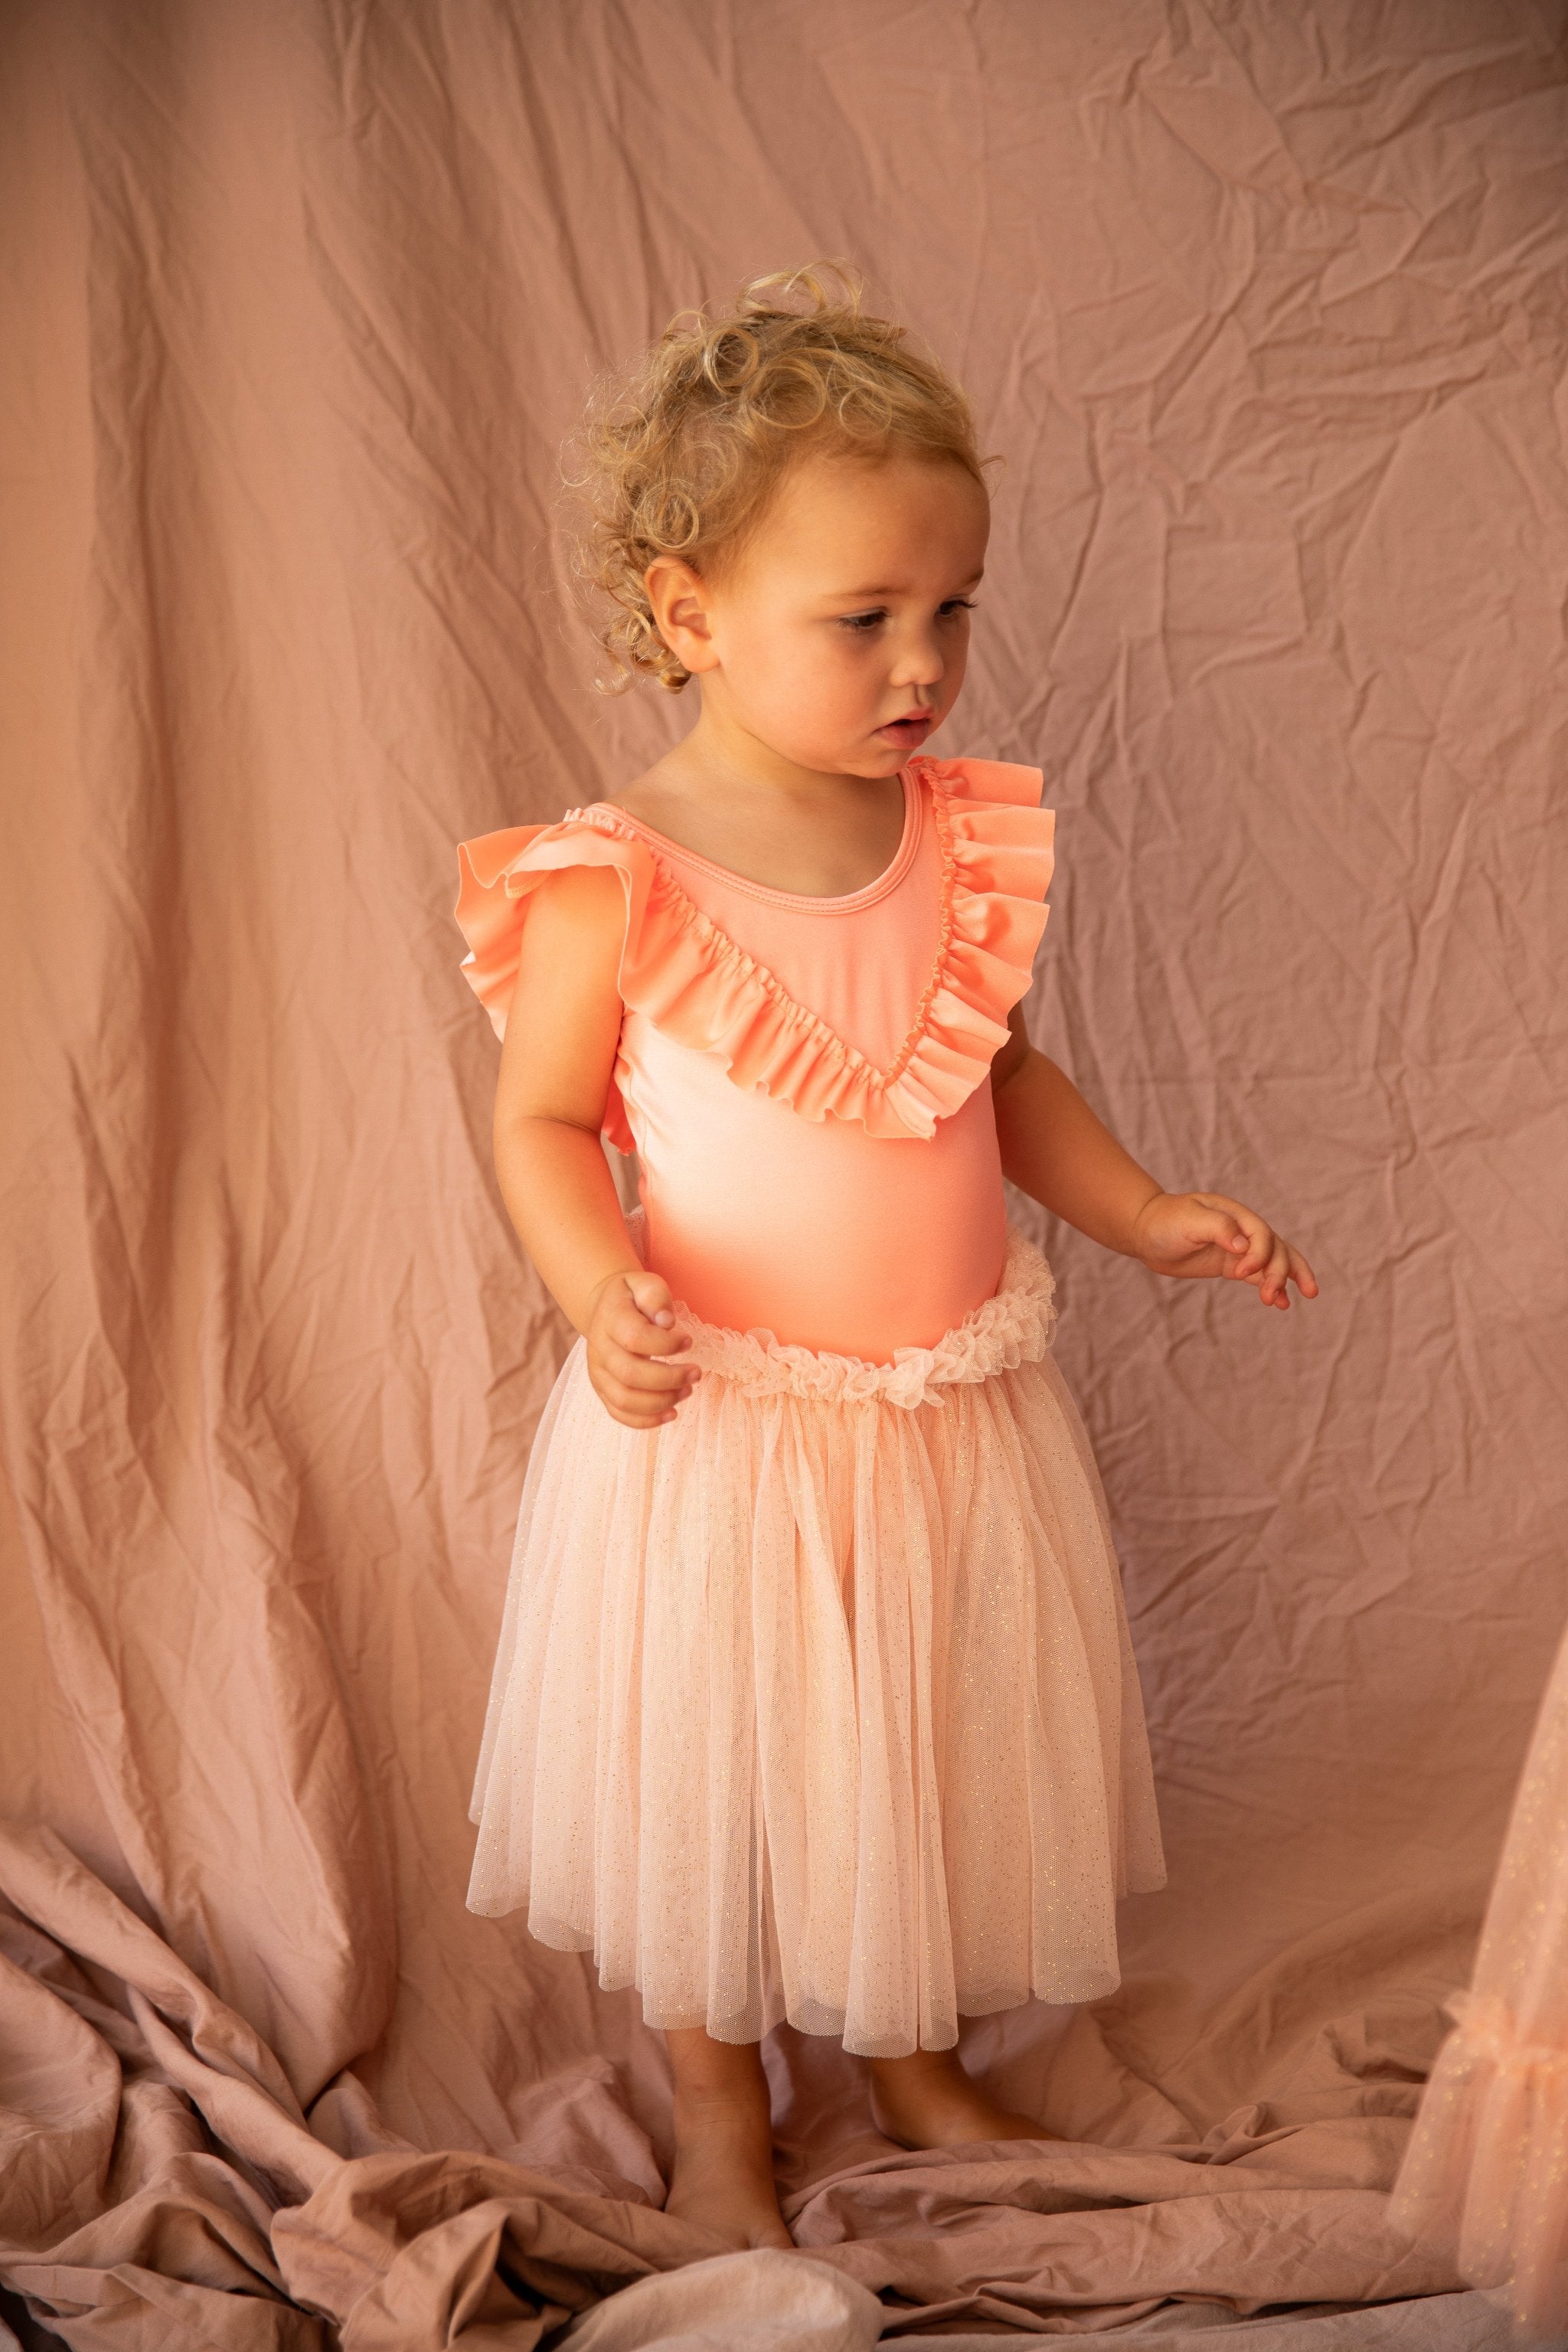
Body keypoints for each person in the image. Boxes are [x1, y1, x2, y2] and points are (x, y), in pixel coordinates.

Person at [453, 264, 1318, 2249]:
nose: (921, 658)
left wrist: (1141, 1208)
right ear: (692, 614)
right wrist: (601, 1296)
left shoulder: (945, 837)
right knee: (715, 1776)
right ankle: (715, 2097)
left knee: (920, 1748)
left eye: (951, 608)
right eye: (863, 618)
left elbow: (1003, 1079)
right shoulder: (622, 877)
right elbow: (538, 1124)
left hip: (945, 1410)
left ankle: (913, 2052)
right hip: (726, 1426)